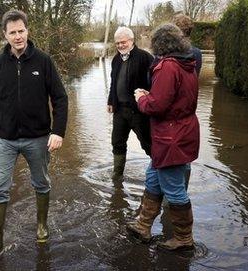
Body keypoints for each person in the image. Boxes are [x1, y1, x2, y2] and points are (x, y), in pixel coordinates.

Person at [0, 10, 68, 264]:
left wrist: (58, 131)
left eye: (21, 31)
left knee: (41, 183)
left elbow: (60, 98)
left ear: (27, 31)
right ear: (5, 35)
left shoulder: (43, 61)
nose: (18, 36)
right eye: (12, 32)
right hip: (5, 138)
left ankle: (41, 226)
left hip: (38, 137)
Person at [128, 23, 200, 251]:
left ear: (159, 43)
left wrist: (141, 98)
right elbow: (173, 99)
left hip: (171, 137)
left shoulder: (168, 66)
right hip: (178, 132)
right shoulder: (186, 63)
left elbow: (157, 106)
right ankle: (143, 225)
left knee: (174, 188)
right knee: (152, 178)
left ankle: (183, 238)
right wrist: (153, 95)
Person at [107, 26, 154, 182]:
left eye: (123, 42)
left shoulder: (145, 58)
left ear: (132, 41)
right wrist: (110, 101)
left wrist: (149, 100)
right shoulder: (116, 59)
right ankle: (117, 175)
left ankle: (159, 171)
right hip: (120, 110)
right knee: (117, 142)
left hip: (139, 111)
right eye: (117, 43)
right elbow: (114, 82)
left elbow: (155, 83)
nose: (120, 45)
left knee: (148, 143)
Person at [172, 13, 203, 190]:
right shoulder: (197, 53)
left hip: (171, 110)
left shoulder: (168, 54)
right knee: (185, 154)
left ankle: (172, 196)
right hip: (189, 108)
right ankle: (183, 188)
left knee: (168, 152)